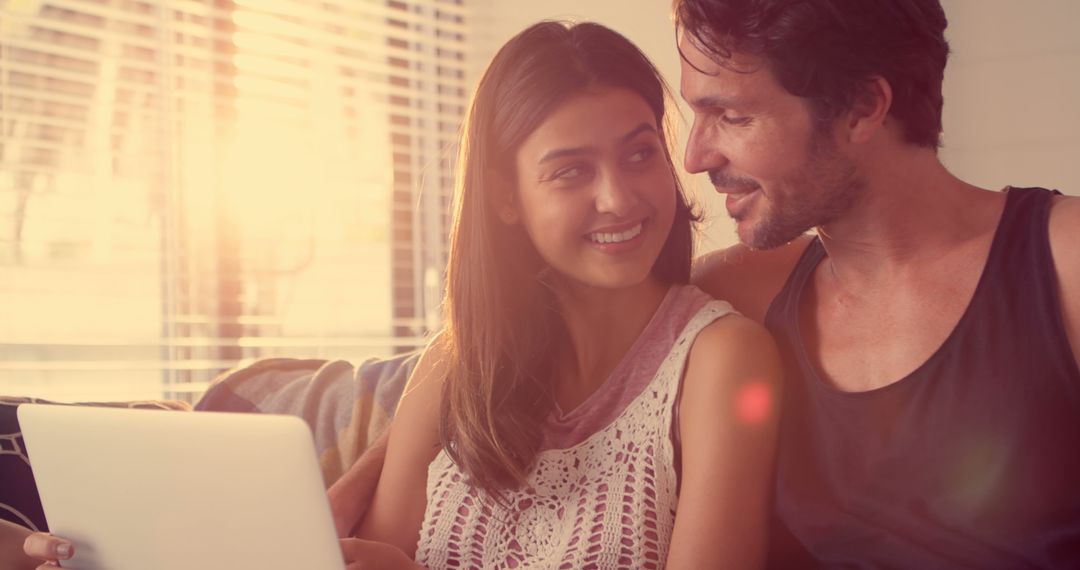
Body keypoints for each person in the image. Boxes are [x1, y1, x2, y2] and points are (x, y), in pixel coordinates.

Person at [20, 21, 782, 569]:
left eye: (640, 152)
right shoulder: (456, 369)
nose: (620, 198)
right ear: (505, 197)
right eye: (571, 171)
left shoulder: (722, 362)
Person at [673, 0, 1080, 567]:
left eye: (733, 117)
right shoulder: (735, 295)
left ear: (863, 107)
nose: (695, 157)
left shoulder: (1066, 262)